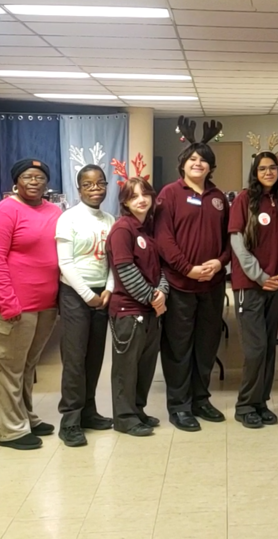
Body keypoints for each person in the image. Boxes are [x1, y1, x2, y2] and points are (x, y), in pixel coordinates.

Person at [0, 159, 61, 450]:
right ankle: (10, 430)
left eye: (40, 177)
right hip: (9, 306)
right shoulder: (4, 212)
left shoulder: (54, 211)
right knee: (7, 368)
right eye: (28, 176)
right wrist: (8, 303)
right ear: (16, 181)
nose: (34, 181)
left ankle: (25, 415)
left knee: (26, 365)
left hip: (45, 306)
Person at [156, 131, 230, 432]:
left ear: (211, 167)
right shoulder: (169, 194)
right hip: (180, 285)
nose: (198, 163)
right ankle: (179, 405)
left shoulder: (218, 198)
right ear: (183, 164)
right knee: (178, 347)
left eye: (203, 160)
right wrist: (187, 268)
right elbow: (163, 238)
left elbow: (229, 240)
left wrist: (219, 262)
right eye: (192, 159)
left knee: (206, 345)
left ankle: (201, 399)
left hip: (212, 286)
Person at [229, 152, 278, 429]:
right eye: (262, 168)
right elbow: (237, 242)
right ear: (254, 172)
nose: (268, 172)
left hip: (274, 285)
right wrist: (260, 276)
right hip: (251, 286)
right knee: (254, 349)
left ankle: (261, 402)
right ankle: (244, 405)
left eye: (272, 168)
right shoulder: (245, 200)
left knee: (267, 349)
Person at [56, 164, 115, 447]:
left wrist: (109, 290)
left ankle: (89, 412)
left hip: (101, 296)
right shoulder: (68, 218)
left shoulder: (110, 220)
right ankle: (70, 420)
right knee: (74, 360)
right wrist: (86, 295)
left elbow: (114, 261)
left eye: (100, 183)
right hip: (74, 296)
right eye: (88, 185)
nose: (95, 189)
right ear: (79, 188)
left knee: (94, 357)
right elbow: (65, 263)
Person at [106, 177, 168, 437]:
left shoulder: (149, 229)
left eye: (145, 194)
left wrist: (162, 292)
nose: (141, 200)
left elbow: (161, 269)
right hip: (129, 311)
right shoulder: (123, 229)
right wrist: (151, 297)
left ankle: (138, 409)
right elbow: (125, 269)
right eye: (133, 196)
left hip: (151, 309)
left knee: (145, 366)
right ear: (125, 202)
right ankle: (124, 417)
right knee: (126, 368)